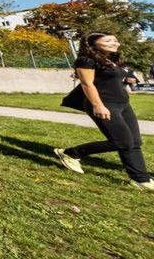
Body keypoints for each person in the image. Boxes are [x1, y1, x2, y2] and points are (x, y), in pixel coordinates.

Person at [53, 33, 153, 191]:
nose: (115, 43)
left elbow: (120, 77)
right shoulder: (86, 60)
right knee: (122, 141)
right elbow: (87, 85)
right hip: (104, 103)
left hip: (123, 104)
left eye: (115, 40)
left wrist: (130, 78)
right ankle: (71, 153)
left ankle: (141, 179)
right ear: (92, 43)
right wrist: (98, 105)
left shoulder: (113, 59)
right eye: (108, 40)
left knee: (134, 142)